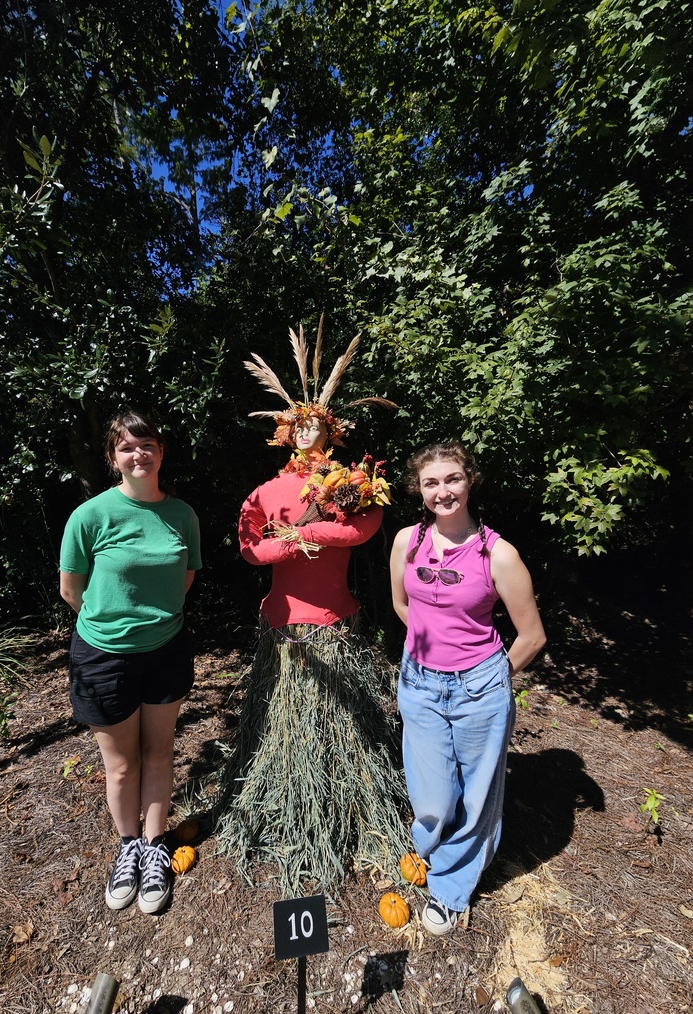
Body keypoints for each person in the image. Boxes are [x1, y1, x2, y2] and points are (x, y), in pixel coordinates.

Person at [215, 321, 409, 893]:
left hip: (334, 620)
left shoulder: (350, 482)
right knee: (277, 718)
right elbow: (250, 546)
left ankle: (351, 798)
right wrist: (290, 545)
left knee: (348, 722)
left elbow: (365, 527)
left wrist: (310, 532)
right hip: (284, 622)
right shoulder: (266, 491)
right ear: (285, 432)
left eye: (315, 425)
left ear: (330, 431)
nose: (305, 432)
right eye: (297, 425)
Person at [389, 440, 546, 935]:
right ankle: (431, 849)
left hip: (479, 687)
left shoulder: (498, 554)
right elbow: (402, 606)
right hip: (418, 683)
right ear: (418, 490)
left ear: (470, 480)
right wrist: (431, 650)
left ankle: (450, 889)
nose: (443, 491)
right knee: (432, 793)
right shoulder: (407, 542)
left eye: (452, 479)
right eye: (431, 482)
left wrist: (486, 678)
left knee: (477, 799)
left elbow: (532, 636)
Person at [59, 410, 201, 914]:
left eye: (148, 445)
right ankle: (128, 848)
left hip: (166, 649)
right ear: (112, 457)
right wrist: (115, 627)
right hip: (104, 657)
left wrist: (152, 620)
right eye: (127, 447)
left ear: (161, 452)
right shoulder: (91, 516)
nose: (138, 454)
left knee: (160, 754)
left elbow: (185, 576)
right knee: (121, 767)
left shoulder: (182, 514)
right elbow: (71, 590)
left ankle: (155, 846)